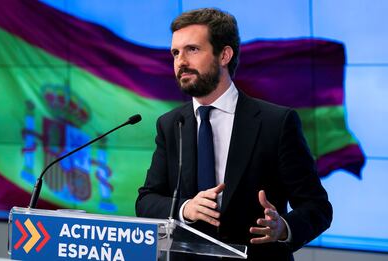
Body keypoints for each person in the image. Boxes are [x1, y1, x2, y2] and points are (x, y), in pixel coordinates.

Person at [136, 8, 332, 260]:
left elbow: (317, 207)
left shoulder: (276, 122)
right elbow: (146, 201)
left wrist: (283, 228)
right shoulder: (171, 124)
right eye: (175, 52)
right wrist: (186, 208)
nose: (180, 61)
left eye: (192, 50)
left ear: (224, 55)